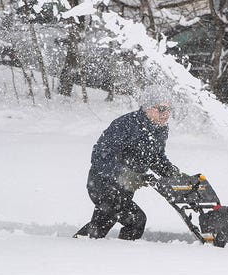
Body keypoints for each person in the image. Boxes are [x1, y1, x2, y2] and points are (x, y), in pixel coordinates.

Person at [75, 85, 181, 240]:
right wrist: (125, 174)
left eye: (168, 109)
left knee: (102, 223)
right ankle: (124, 257)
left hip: (125, 189)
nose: (166, 114)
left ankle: (80, 248)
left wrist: (169, 171)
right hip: (103, 185)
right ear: (147, 108)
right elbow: (100, 155)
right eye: (161, 109)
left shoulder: (160, 130)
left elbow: (155, 157)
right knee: (136, 220)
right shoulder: (126, 125)